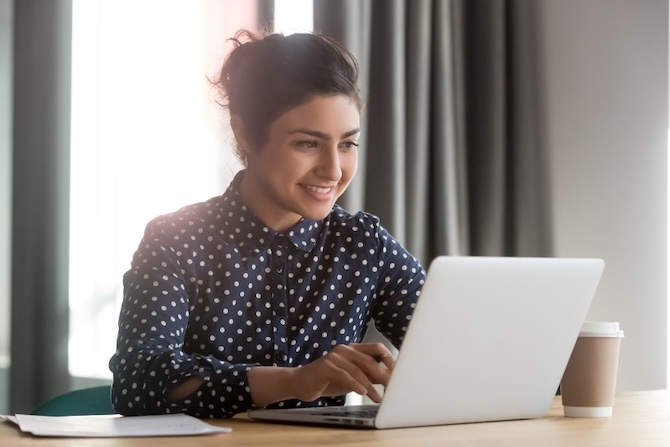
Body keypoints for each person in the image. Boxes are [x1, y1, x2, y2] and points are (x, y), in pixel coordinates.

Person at [109, 29, 426, 418]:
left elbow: (454, 349)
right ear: (245, 133)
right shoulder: (176, 239)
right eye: (308, 143)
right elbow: (139, 382)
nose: (333, 170)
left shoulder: (363, 244)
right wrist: (295, 381)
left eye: (347, 144)